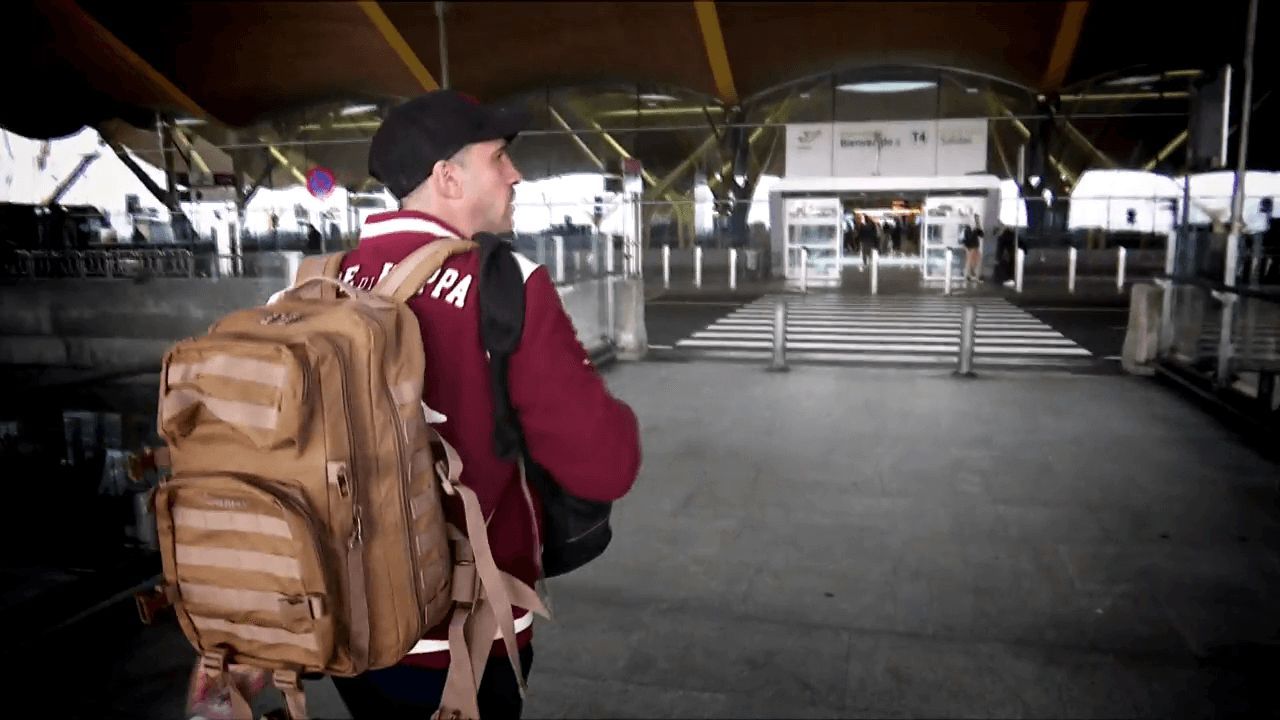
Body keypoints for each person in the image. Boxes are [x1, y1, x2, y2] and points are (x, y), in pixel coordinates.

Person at [328, 90, 643, 719]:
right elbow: (607, 464)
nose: (515, 173)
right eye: (498, 156)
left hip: (344, 618)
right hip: (462, 643)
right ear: (447, 177)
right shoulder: (505, 283)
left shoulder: (325, 281)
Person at [961, 215, 984, 282]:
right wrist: (966, 248)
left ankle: (975, 275)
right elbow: (968, 239)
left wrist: (978, 226)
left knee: (977, 261)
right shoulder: (967, 229)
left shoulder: (976, 228)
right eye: (976, 220)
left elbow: (982, 235)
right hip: (970, 247)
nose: (977, 221)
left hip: (975, 247)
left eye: (977, 220)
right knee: (970, 262)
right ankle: (968, 275)